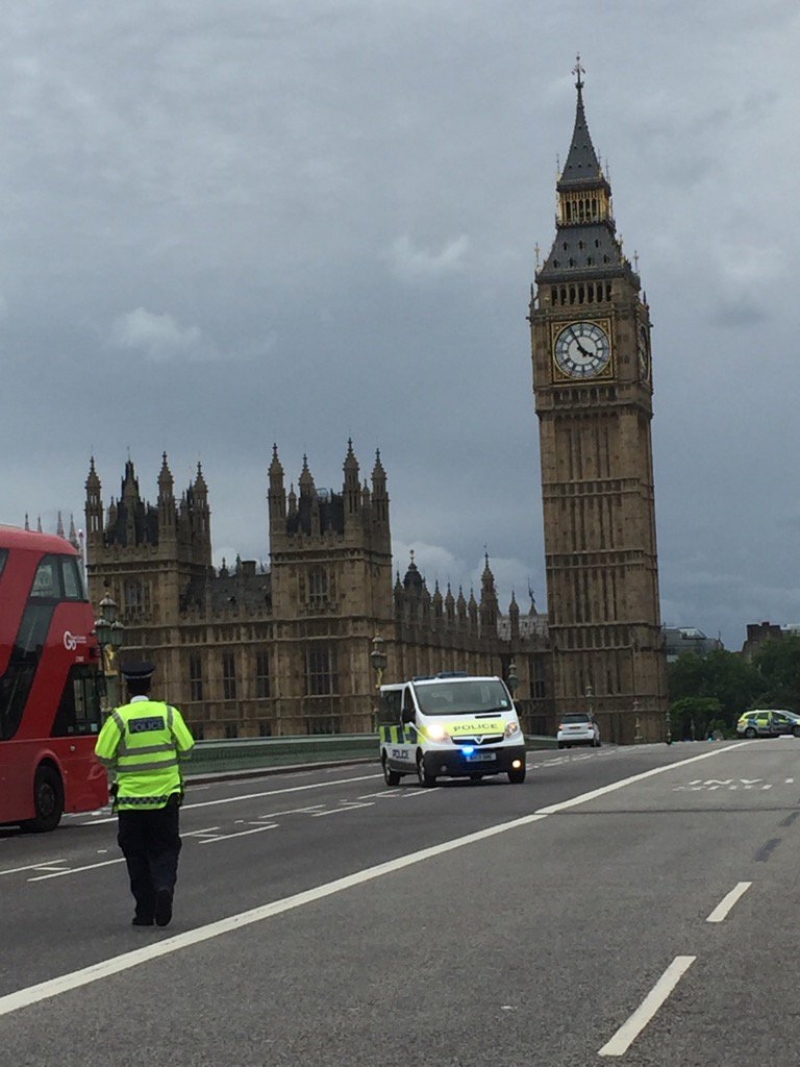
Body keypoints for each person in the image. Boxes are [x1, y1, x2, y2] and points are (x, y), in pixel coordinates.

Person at [94, 661, 195, 928]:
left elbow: (102, 755)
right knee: (165, 848)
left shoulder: (119, 718)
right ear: (151, 686)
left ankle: (144, 911)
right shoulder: (168, 714)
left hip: (130, 800)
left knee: (136, 854)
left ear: (126, 688)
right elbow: (187, 748)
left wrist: (121, 758)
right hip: (165, 797)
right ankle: (164, 887)